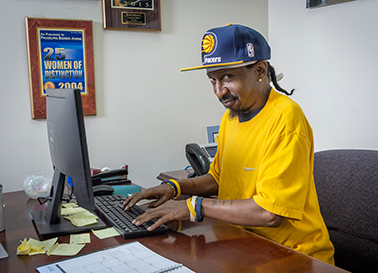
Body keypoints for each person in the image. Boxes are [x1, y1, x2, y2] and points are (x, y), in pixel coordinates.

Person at [123, 24, 335, 265]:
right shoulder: (231, 115)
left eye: (227, 77)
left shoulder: (285, 120)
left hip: (294, 256)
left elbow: (269, 213)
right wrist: (175, 188)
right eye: (212, 80)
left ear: (259, 70)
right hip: (244, 243)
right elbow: (219, 178)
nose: (219, 92)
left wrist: (195, 207)